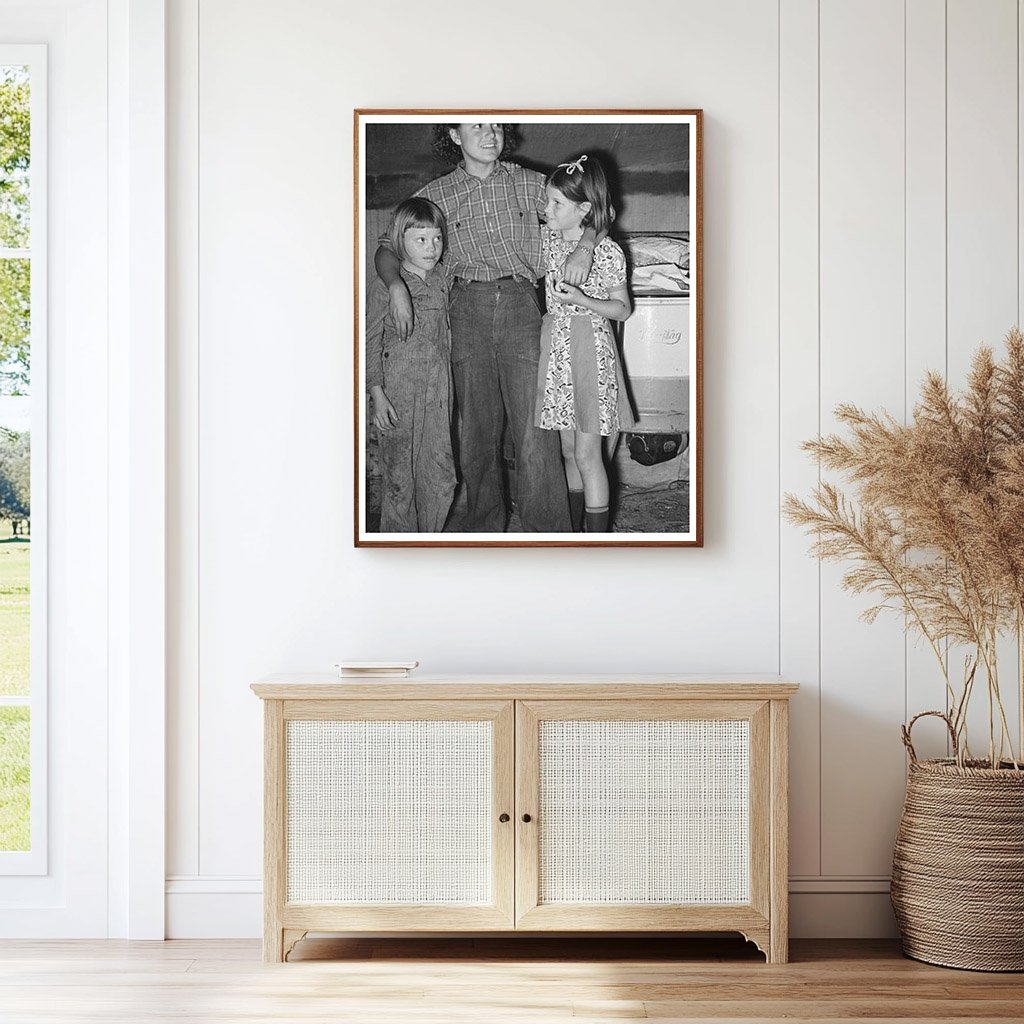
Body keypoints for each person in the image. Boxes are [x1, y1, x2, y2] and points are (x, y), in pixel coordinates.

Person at [374, 123, 600, 533]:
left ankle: (547, 533)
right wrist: (395, 287)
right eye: (477, 124)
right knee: (475, 431)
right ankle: (481, 530)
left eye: (496, 123)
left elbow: (597, 208)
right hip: (464, 308)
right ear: (455, 136)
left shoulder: (533, 183)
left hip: (522, 303)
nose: (490, 132)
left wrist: (585, 247)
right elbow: (386, 247)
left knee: (535, 429)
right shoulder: (435, 195)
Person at [536, 154, 635, 533]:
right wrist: (585, 237)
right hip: (557, 347)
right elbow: (600, 217)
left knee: (587, 454)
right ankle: (574, 532)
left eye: (556, 204)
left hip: (590, 349)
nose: (547, 210)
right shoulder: (551, 238)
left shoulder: (607, 252)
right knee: (566, 451)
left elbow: (622, 309)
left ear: (583, 209)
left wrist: (582, 299)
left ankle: (596, 542)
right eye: (547, 201)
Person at [365, 197, 456, 532]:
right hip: (397, 395)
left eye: (437, 239)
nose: (431, 248)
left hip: (438, 395)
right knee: (400, 482)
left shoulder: (442, 279)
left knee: (441, 477)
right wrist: (377, 395)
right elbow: (369, 341)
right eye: (420, 239)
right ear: (398, 241)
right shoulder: (384, 287)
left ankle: (429, 544)